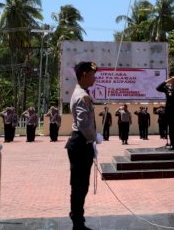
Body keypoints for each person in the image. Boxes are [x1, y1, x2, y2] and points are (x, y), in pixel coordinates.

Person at [66, 61, 99, 230]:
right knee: (79, 185)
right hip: (80, 143)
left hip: (82, 143)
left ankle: (78, 219)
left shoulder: (83, 93)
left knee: (82, 185)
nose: (95, 77)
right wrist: (94, 137)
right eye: (93, 74)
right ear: (85, 75)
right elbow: (83, 124)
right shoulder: (81, 96)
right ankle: (77, 222)